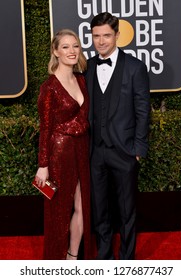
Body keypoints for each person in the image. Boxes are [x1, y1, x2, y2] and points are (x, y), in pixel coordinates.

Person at [85, 12, 150, 260]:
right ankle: (104, 260)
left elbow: (143, 111)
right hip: (94, 151)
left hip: (124, 151)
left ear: (117, 36)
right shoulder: (87, 66)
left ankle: (126, 262)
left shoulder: (135, 67)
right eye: (96, 36)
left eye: (106, 36)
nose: (101, 41)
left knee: (126, 211)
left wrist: (138, 149)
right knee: (99, 210)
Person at [35, 29, 91, 260]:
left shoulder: (81, 79)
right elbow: (45, 129)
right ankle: (56, 261)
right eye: (65, 47)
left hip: (82, 149)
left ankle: (73, 256)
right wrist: (43, 165)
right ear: (56, 52)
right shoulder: (49, 87)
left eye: (75, 46)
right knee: (58, 211)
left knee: (82, 206)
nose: (71, 51)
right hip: (59, 154)